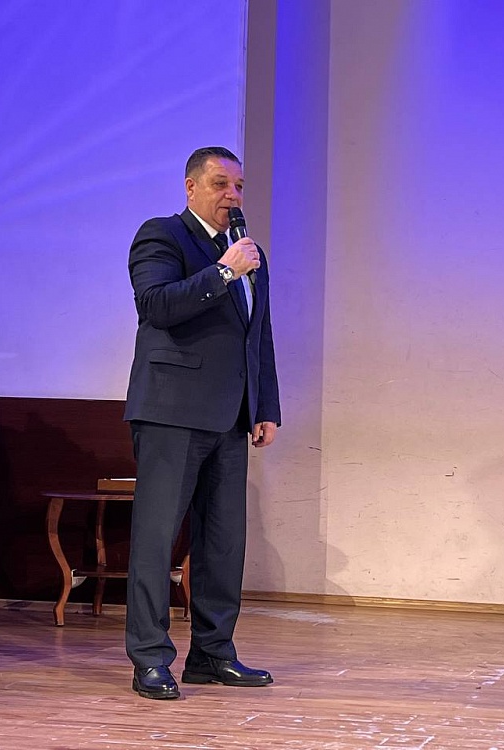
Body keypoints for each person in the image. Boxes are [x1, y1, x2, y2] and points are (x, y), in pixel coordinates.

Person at [123, 146, 280, 700]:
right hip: (171, 412)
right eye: (220, 184)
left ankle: (213, 654)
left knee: (223, 543)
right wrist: (223, 271)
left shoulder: (249, 253)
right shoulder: (163, 235)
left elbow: (258, 334)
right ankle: (149, 658)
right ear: (191, 187)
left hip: (230, 416)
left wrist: (265, 406)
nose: (231, 196)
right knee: (157, 538)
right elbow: (157, 305)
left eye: (238, 186)